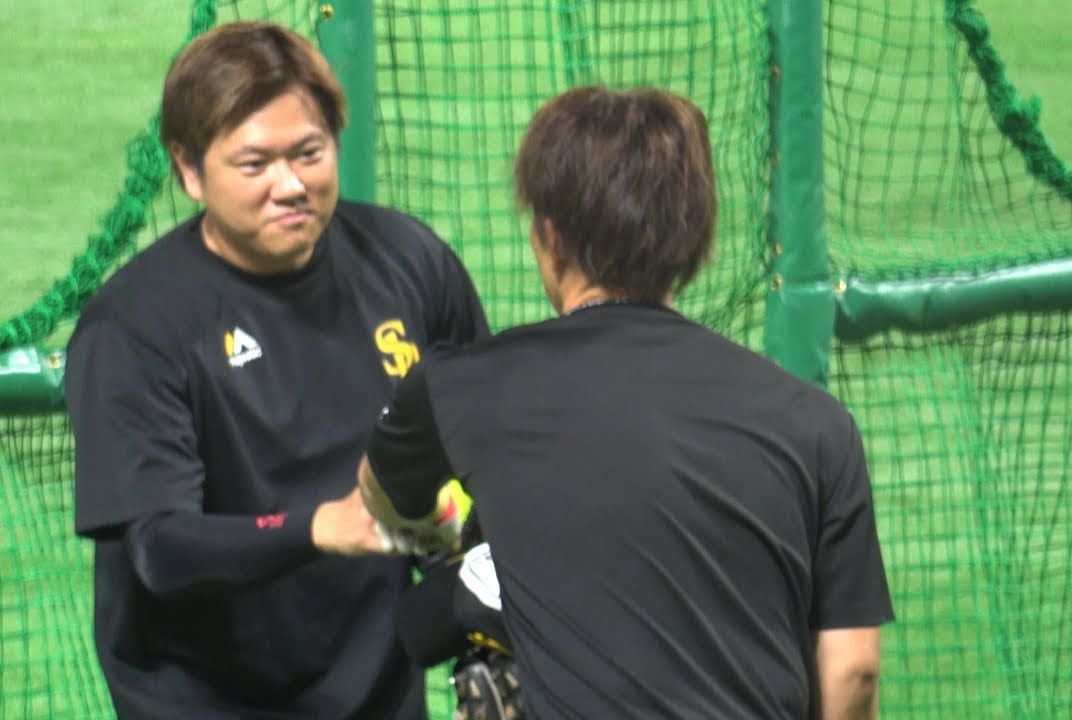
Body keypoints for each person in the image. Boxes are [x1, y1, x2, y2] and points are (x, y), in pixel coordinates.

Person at [357, 86, 894, 719]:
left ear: (551, 238)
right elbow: (853, 669)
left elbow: (381, 493)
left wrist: (449, 536)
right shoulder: (817, 424)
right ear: (695, 238)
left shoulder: (460, 387)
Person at [64, 21, 488, 719]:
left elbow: (484, 452)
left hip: (380, 699)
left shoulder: (407, 263)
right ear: (189, 171)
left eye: (309, 153)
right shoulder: (136, 328)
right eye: (255, 164)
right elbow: (160, 548)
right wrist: (320, 527)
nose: (290, 185)